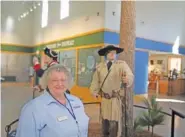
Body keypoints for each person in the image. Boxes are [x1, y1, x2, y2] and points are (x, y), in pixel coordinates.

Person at [16, 64, 89, 137]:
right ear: (46, 82)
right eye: (54, 80)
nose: (59, 84)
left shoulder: (76, 102)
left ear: (68, 82)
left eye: (63, 80)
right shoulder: (33, 108)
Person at [90, 45, 134, 137]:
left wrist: (128, 79)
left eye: (114, 53)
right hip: (105, 99)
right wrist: (94, 91)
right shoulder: (100, 66)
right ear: (106, 54)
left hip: (115, 99)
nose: (112, 54)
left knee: (115, 123)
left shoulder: (121, 65)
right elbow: (95, 80)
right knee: (105, 122)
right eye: (110, 52)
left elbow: (129, 75)